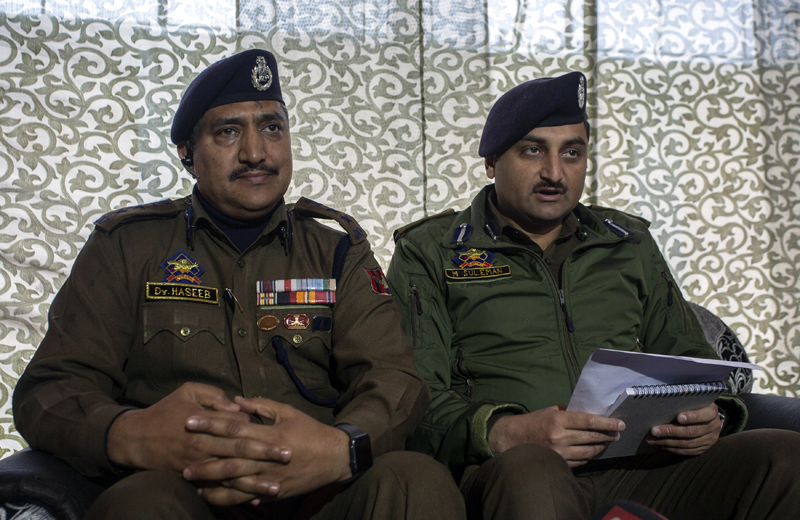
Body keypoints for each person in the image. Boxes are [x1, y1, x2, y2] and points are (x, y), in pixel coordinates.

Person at [13, 49, 466, 520]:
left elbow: (393, 378)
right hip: (181, 492)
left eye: (272, 127)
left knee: (414, 478)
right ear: (187, 153)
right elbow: (50, 388)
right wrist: (130, 432)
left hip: (313, 493)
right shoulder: (126, 247)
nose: (256, 152)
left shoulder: (337, 250)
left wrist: (339, 447)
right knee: (144, 504)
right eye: (228, 131)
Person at [387, 71, 800, 520]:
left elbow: (690, 358)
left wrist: (715, 414)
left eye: (572, 153)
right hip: (509, 469)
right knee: (534, 468)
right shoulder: (432, 250)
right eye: (532, 150)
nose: (554, 173)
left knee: (784, 456)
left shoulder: (628, 243)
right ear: (490, 162)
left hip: (642, 466)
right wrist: (501, 430)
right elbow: (412, 394)